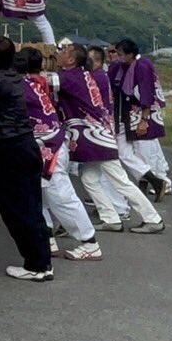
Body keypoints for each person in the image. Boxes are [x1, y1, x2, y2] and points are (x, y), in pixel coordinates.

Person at [53, 43, 164, 235]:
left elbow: (42, 81)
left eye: (63, 52)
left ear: (71, 60)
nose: (59, 54)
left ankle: (152, 218)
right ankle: (110, 218)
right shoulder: (84, 75)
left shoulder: (70, 77)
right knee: (89, 178)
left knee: (120, 180)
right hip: (98, 136)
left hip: (96, 138)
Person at [0, 34, 53, 282]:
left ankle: (35, 265)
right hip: (26, 146)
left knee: (15, 210)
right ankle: (42, 262)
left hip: (10, 151)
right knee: (32, 207)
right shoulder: (14, 77)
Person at [15, 48, 101, 260]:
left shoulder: (25, 85)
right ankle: (48, 239)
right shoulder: (36, 83)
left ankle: (89, 242)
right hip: (49, 143)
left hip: (50, 148)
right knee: (40, 196)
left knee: (61, 197)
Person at [116, 39, 170, 200]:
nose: (118, 58)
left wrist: (144, 119)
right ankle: (152, 181)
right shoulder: (128, 67)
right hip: (132, 113)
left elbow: (146, 91)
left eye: (120, 54)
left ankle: (153, 182)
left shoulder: (142, 66)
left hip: (143, 114)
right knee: (132, 152)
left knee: (144, 151)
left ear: (130, 54)